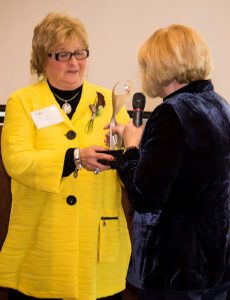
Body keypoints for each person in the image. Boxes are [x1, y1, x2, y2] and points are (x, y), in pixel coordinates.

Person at [0, 12, 131, 300]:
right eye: (63, 54)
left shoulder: (108, 102)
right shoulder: (22, 102)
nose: (75, 62)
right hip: (42, 246)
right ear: (42, 57)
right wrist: (73, 157)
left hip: (96, 250)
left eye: (80, 52)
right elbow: (16, 160)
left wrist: (131, 150)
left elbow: (130, 167)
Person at [112, 24, 230, 300]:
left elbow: (144, 196)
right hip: (215, 268)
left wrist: (130, 147)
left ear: (159, 66)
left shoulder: (171, 113)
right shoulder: (220, 105)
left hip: (173, 272)